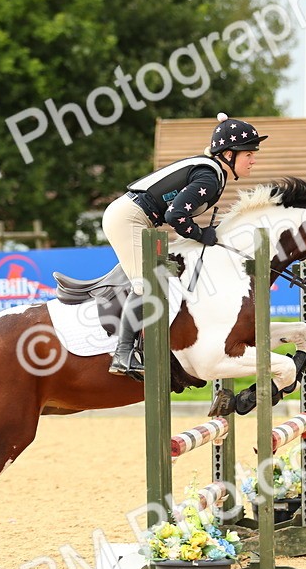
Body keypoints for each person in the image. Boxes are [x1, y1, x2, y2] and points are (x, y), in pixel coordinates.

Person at [102, 112, 268, 380]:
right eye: (248, 153)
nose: (253, 159)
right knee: (148, 283)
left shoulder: (212, 172)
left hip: (137, 218)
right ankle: (123, 354)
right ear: (228, 155)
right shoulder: (210, 177)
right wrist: (202, 235)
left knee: (162, 278)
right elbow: (175, 216)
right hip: (129, 218)